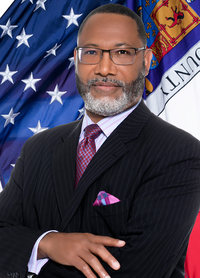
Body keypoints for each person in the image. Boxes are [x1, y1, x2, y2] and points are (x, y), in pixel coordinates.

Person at [0, 3, 200, 278]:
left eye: (122, 53)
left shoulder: (179, 152)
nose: (105, 68)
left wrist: (27, 257)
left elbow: (137, 272)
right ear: (76, 58)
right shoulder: (39, 147)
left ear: (145, 61)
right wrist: (46, 243)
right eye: (92, 52)